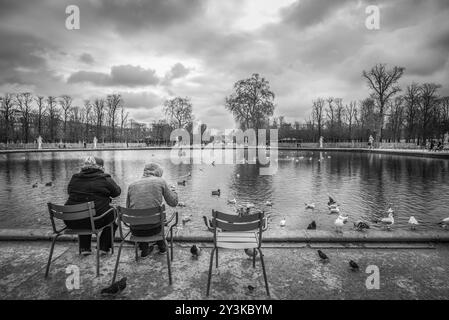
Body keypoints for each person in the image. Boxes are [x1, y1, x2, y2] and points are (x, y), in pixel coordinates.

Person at [64, 156, 121, 256]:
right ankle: (103, 247)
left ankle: (85, 248)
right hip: (95, 221)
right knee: (115, 213)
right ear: (101, 167)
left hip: (71, 220)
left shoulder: (75, 178)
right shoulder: (104, 178)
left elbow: (69, 192)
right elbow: (116, 193)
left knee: (84, 213)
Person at [126, 162, 178, 257]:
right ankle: (162, 247)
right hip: (155, 229)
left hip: (135, 231)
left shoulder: (131, 185)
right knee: (157, 220)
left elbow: (129, 208)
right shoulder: (160, 181)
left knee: (144, 218)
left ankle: (144, 248)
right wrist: (173, 190)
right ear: (157, 172)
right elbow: (173, 203)